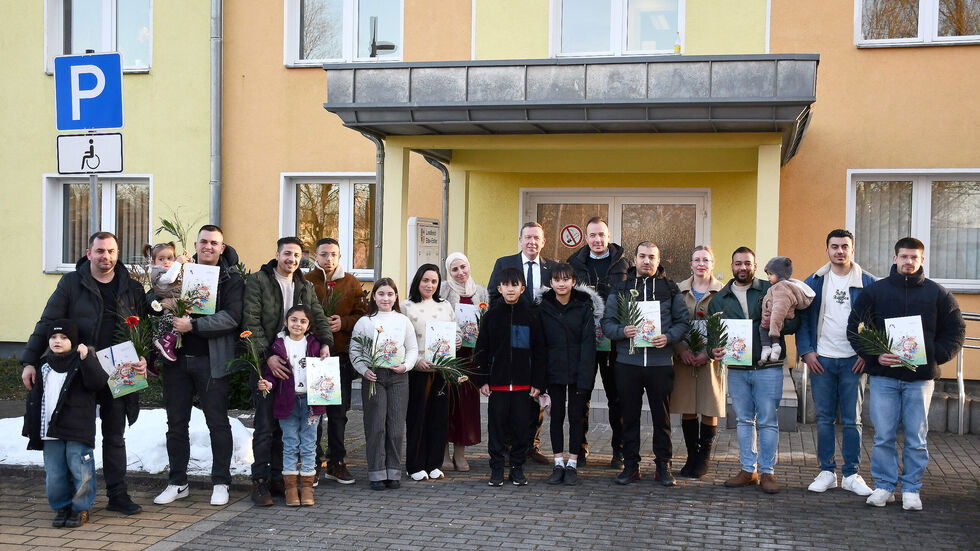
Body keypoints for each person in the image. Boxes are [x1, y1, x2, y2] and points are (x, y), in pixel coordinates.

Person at [21, 231, 148, 516]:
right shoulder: (71, 283)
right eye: (100, 251)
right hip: (78, 371)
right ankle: (71, 501)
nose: (106, 257)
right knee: (75, 438)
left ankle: (118, 495)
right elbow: (48, 322)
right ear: (89, 253)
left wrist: (145, 358)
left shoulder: (133, 288)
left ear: (118, 254)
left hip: (119, 368)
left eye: (111, 251)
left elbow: (144, 330)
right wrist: (29, 361)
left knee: (115, 436)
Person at [847, 237, 965, 511]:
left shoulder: (938, 294)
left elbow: (956, 332)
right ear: (895, 258)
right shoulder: (875, 292)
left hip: (920, 381)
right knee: (884, 436)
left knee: (916, 437)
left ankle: (911, 489)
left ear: (922, 260)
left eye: (914, 257)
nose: (908, 261)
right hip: (884, 378)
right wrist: (874, 356)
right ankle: (885, 487)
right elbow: (855, 327)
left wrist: (933, 355)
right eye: (904, 256)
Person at [152, 226, 244, 507]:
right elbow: (152, 294)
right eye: (203, 241)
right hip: (176, 361)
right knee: (176, 424)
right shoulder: (181, 269)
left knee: (217, 422)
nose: (208, 246)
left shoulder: (231, 279)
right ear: (196, 244)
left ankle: (220, 482)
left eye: (214, 243)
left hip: (211, 361)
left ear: (222, 247)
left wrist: (194, 324)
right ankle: (178, 482)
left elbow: (232, 318)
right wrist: (161, 302)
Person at [243, 237, 333, 506]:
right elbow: (250, 321)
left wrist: (326, 343)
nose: (291, 259)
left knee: (288, 428)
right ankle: (260, 482)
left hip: (298, 369)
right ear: (277, 254)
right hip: (267, 365)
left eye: (296, 255)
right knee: (264, 427)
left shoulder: (304, 285)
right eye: (287, 254)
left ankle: (279, 479)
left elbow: (317, 315)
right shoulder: (259, 281)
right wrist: (267, 355)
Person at [709, 246, 800, 494]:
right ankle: (748, 470)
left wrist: (777, 321)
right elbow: (712, 336)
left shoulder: (773, 289)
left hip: (768, 365)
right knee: (744, 420)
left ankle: (768, 472)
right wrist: (713, 351)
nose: (743, 268)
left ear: (755, 266)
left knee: (769, 421)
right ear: (731, 266)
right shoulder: (720, 298)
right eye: (738, 263)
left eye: (747, 263)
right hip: (737, 368)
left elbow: (794, 322)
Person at [601, 242, 689, 487]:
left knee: (662, 419)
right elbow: (607, 324)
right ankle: (631, 466)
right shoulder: (620, 288)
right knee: (628, 417)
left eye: (652, 257)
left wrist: (669, 337)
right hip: (627, 363)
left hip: (660, 364)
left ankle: (663, 466)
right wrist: (622, 330)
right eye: (642, 256)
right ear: (635, 259)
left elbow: (683, 322)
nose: (646, 261)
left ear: (658, 260)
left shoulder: (670, 288)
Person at [796, 229, 876, 496]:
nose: (840, 251)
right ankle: (827, 472)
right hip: (823, 360)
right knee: (824, 418)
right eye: (834, 246)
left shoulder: (868, 282)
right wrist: (807, 351)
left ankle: (852, 474)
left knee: (853, 420)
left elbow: (878, 323)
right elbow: (804, 320)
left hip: (854, 361)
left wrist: (867, 353)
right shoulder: (815, 281)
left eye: (845, 246)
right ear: (827, 249)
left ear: (852, 249)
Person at [23, 320, 109, 528]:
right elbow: (35, 399)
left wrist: (87, 357)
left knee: (81, 470)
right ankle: (62, 507)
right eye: (53, 338)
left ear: (74, 341)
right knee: (55, 474)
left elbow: (97, 382)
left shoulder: (81, 362)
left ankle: (81, 508)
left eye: (64, 338)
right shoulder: (43, 365)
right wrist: (31, 427)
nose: (58, 341)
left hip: (77, 429)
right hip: (50, 430)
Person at [487, 221, 557, 464]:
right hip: (510, 334)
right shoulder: (504, 263)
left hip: (540, 336)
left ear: (543, 241)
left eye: (537, 238)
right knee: (511, 393)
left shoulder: (553, 268)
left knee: (534, 391)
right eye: (527, 237)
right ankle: (506, 445)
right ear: (520, 239)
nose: (532, 242)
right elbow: (493, 295)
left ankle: (531, 444)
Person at [475, 267, 547, 486]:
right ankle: (497, 468)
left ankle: (517, 467)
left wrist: (538, 382)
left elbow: (540, 351)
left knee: (521, 429)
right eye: (505, 285)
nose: (510, 289)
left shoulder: (532, 315)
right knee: (496, 429)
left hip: (524, 386)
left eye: (514, 285)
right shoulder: (491, 316)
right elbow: (482, 350)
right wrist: (483, 379)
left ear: (522, 288)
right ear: (499, 288)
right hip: (497, 385)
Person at [566, 216, 629, 469]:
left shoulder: (624, 263)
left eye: (601, 235)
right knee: (582, 394)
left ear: (609, 235)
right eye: (592, 235)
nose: (597, 240)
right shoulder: (574, 263)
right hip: (584, 339)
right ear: (586, 237)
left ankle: (620, 451)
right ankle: (578, 450)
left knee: (618, 397)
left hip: (615, 340)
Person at [304, 237, 367, 486]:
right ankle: (314, 463)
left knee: (339, 414)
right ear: (315, 257)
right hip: (315, 357)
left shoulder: (350, 282)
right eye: (323, 254)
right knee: (316, 414)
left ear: (339, 257)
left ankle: (337, 463)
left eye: (333, 254)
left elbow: (362, 314)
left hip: (339, 357)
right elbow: (297, 312)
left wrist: (344, 322)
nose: (328, 259)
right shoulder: (307, 281)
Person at [350, 278, 418, 490]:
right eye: (381, 294)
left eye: (390, 294)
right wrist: (364, 370)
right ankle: (377, 472)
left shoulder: (403, 321)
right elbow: (355, 351)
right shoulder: (365, 322)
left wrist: (406, 366)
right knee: (376, 426)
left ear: (396, 297)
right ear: (374, 296)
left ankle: (393, 471)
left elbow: (412, 349)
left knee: (396, 427)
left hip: (398, 377)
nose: (385, 298)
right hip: (374, 377)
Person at [535, 263, 599, 486]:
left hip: (577, 372)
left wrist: (586, 378)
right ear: (550, 283)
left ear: (573, 281)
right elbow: (539, 347)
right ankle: (558, 463)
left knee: (576, 417)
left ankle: (572, 463)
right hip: (553, 373)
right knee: (556, 417)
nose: (561, 284)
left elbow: (588, 346)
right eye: (556, 279)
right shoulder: (543, 308)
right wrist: (540, 380)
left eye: (566, 279)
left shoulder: (583, 308)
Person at [257, 305, 326, 507]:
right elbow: (273, 374)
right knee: (289, 444)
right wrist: (267, 384)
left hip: (311, 403)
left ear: (309, 325)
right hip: (287, 402)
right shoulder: (279, 345)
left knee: (308, 444)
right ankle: (290, 489)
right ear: (286, 322)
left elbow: (324, 370)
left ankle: (306, 488)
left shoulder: (314, 344)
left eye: (303, 321)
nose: (298, 324)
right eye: (294, 320)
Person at [402, 263, 460, 481]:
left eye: (434, 281)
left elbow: (457, 330)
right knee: (418, 417)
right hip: (419, 369)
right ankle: (415, 464)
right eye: (425, 280)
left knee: (439, 416)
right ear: (418, 281)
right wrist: (416, 361)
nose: (429, 285)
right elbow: (401, 341)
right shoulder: (406, 306)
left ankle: (434, 463)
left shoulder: (445, 306)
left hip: (443, 369)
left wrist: (457, 338)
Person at [671, 245, 725, 478]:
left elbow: (727, 327)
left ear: (712, 263)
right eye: (696, 260)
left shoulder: (723, 292)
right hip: (684, 358)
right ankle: (691, 455)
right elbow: (670, 321)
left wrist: (709, 353)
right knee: (688, 406)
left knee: (708, 405)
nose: (701, 264)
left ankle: (704, 458)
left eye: (706, 260)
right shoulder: (678, 291)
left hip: (710, 359)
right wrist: (681, 350)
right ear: (691, 264)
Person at [440, 252, 489, 472]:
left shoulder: (480, 291)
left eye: (463, 267)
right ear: (449, 272)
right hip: (449, 356)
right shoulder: (443, 289)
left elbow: (486, 322)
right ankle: (444, 454)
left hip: (471, 358)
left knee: (466, 406)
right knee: (446, 403)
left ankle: (460, 453)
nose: (460, 273)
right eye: (455, 269)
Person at [758, 256, 815, 364]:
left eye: (771, 274)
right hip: (774, 318)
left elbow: (779, 309)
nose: (768, 277)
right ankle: (771, 348)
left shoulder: (782, 288)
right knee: (768, 328)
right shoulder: (779, 286)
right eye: (767, 274)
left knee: (764, 328)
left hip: (777, 318)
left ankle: (770, 348)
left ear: (780, 274)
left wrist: (774, 328)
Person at [144, 242, 192, 362]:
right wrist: (178, 263)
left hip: (175, 307)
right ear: (154, 262)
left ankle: (156, 351)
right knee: (178, 325)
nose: (166, 262)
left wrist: (190, 263)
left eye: (169, 258)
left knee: (178, 325)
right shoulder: (158, 273)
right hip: (168, 310)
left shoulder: (173, 270)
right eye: (161, 259)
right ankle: (165, 344)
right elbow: (169, 278)